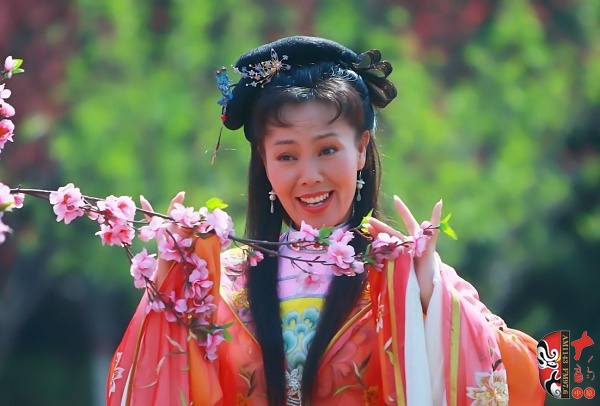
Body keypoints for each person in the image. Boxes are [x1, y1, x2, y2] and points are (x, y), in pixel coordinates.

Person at [106, 36, 545, 405]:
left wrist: (429, 295)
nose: (310, 175)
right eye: (287, 156)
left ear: (362, 147)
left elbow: (525, 374)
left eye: (328, 150)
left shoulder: (405, 274)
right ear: (263, 161)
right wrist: (170, 289)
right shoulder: (219, 283)